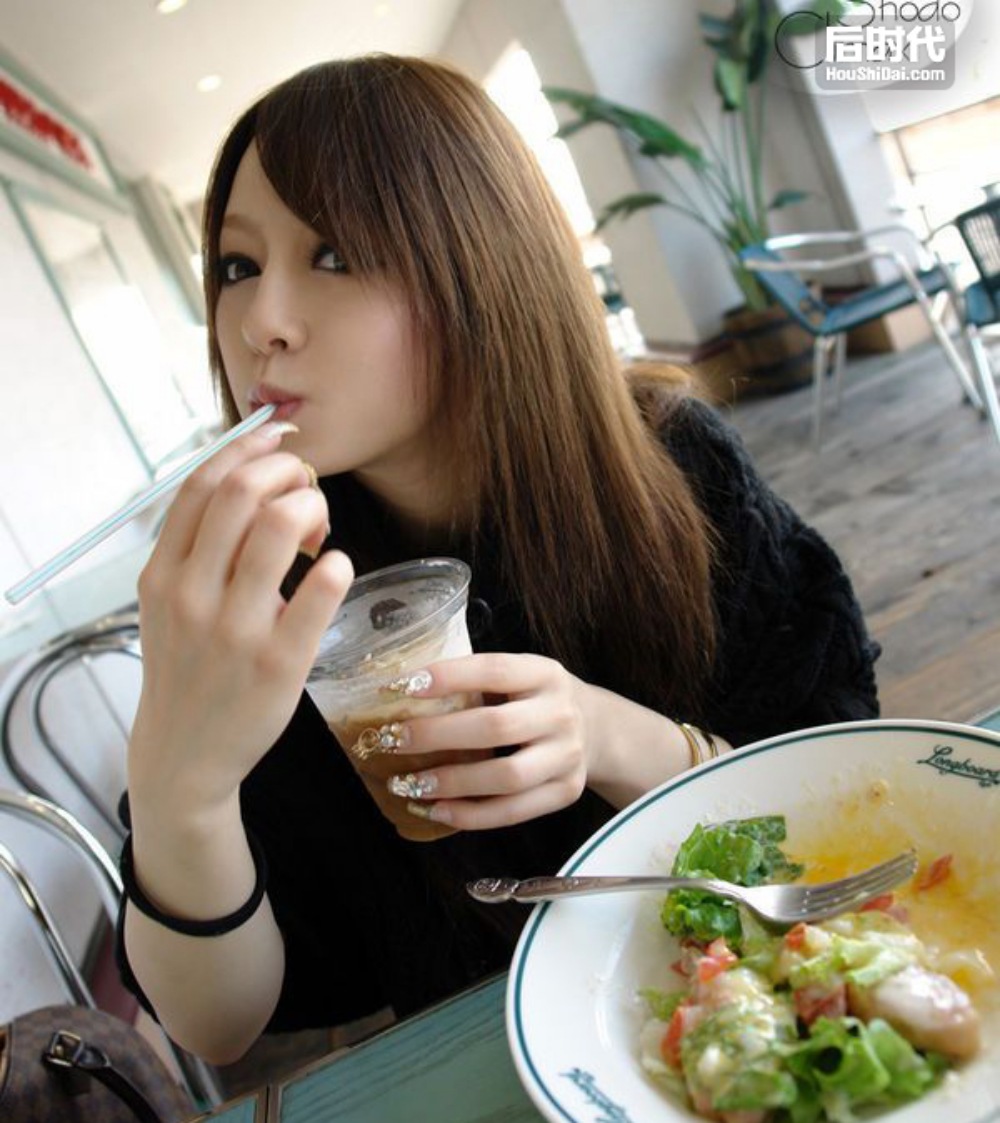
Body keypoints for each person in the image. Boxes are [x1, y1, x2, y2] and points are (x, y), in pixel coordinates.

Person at [115, 53, 879, 1065]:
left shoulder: (669, 466)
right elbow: (219, 1024)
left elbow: (837, 790)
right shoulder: (278, 592)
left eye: (333, 254)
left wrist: (604, 734)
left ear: (478, 260)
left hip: (783, 1009)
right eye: (237, 266)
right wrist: (180, 788)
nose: (260, 323)